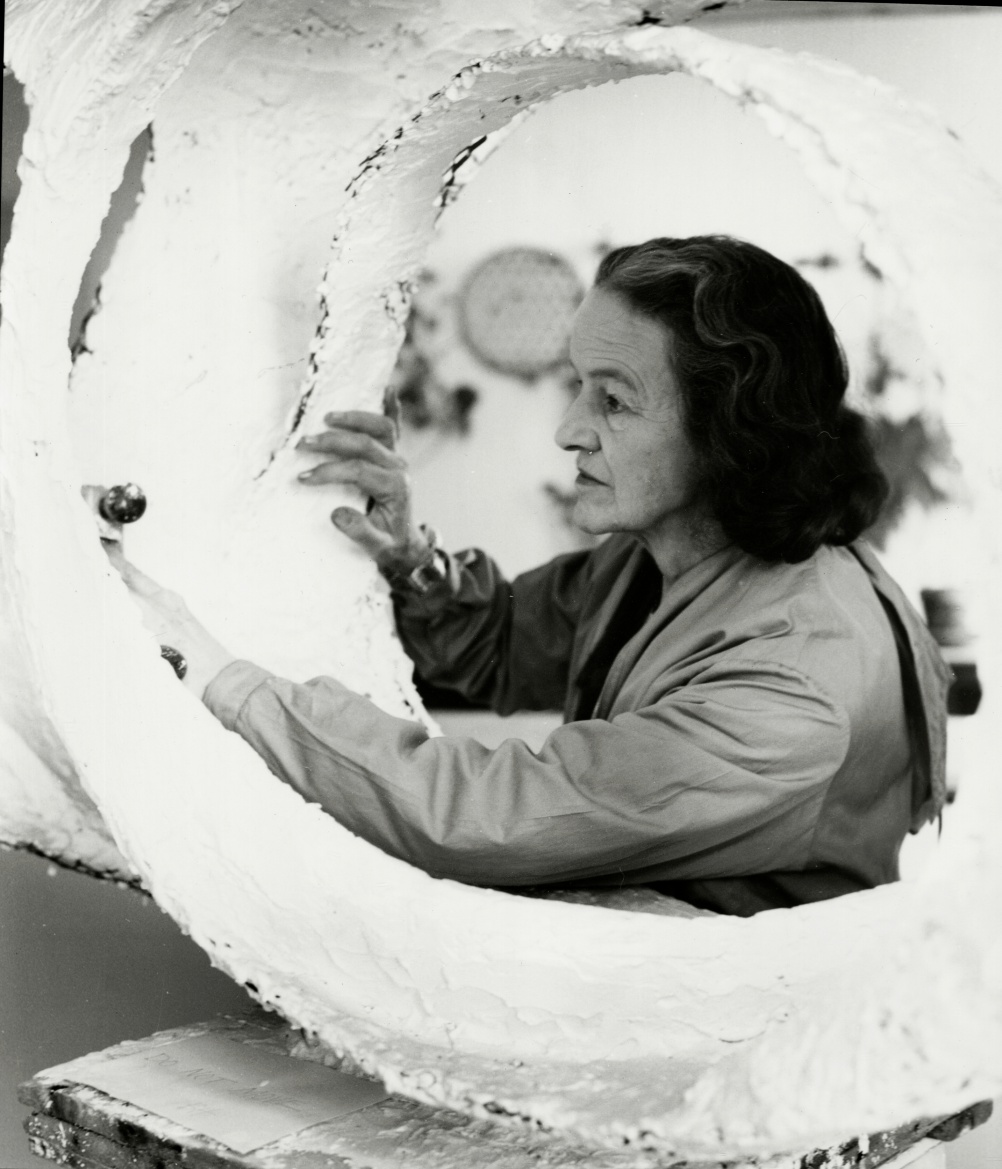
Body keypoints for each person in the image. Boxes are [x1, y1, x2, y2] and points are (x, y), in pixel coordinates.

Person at [118, 235, 950, 917]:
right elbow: (506, 643)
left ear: (730, 434)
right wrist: (409, 554)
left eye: (614, 402)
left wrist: (219, 677)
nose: (567, 430)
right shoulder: (664, 549)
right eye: (576, 386)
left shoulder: (787, 691)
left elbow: (485, 818)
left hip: (734, 1048)